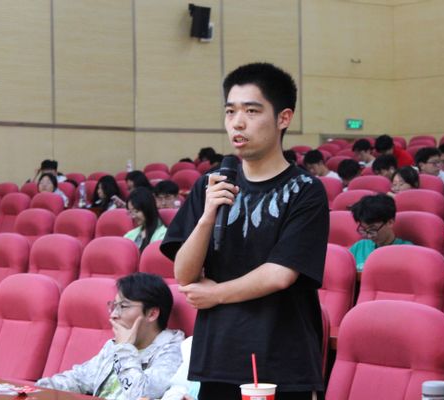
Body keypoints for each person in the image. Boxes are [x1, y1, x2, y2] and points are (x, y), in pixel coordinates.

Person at [161, 62, 328, 399]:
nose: (237, 122)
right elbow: (184, 274)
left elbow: (280, 274)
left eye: (251, 111)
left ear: (283, 118)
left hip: (281, 360)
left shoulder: (305, 190)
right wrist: (207, 216)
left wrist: (216, 294)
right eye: (230, 111)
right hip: (217, 356)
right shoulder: (210, 186)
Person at [36, 272, 184, 400]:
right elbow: (78, 379)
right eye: (114, 306)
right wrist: (34, 391)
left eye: (123, 306)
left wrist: (124, 349)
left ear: (152, 314)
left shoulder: (174, 351)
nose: (113, 315)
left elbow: (141, 395)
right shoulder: (114, 345)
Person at [349, 194, 412, 272]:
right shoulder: (359, 246)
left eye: (373, 229)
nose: (369, 236)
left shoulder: (408, 251)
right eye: (364, 230)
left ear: (390, 222)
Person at [124, 187, 167, 253]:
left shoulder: (163, 234)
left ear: (148, 209)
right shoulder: (130, 235)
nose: (133, 216)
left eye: (136, 211)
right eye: (130, 212)